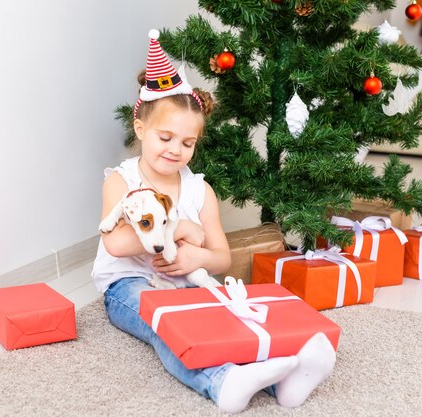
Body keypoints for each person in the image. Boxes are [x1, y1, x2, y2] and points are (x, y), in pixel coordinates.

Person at [91, 29, 337, 413]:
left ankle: (283, 383)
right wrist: (180, 229)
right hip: (129, 285)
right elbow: (116, 245)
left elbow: (221, 258)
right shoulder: (121, 181)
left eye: (187, 143)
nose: (175, 150)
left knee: (225, 315)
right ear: (141, 128)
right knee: (167, 327)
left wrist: (197, 258)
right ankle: (220, 382)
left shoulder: (199, 191)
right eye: (165, 137)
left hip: (185, 279)